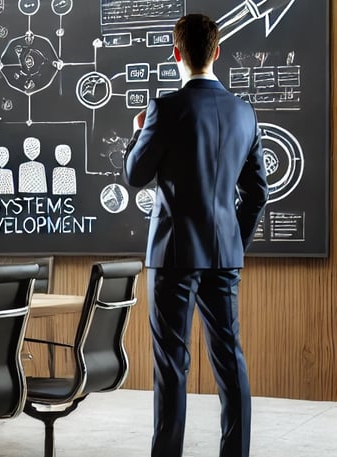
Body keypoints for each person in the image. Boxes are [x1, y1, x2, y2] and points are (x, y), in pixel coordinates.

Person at [124, 14, 268, 457]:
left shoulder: (164, 109)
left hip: (173, 255)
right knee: (230, 359)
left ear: (176, 53)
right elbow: (257, 193)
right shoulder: (245, 112)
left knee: (171, 365)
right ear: (217, 51)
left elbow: (135, 175)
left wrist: (136, 135)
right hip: (223, 253)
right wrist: (232, 244)